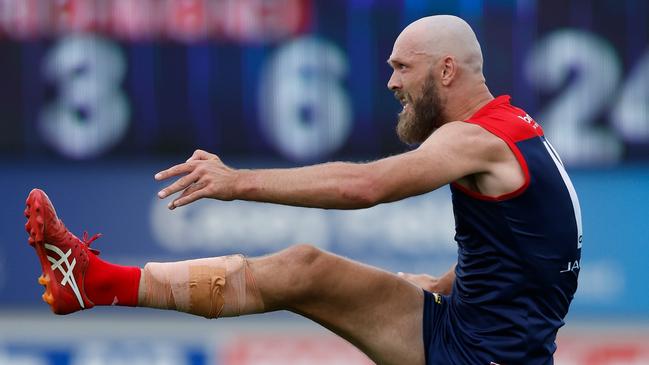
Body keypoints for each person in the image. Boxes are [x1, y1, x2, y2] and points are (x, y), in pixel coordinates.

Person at [24, 15, 581, 365]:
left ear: (446, 71)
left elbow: (366, 185)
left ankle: (95, 284)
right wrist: (440, 286)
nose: (391, 82)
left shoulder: (473, 140)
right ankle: (94, 282)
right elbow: (526, 248)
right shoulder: (511, 128)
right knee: (304, 267)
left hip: (479, 354)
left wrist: (238, 182)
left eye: (401, 68)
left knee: (304, 272)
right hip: (472, 333)